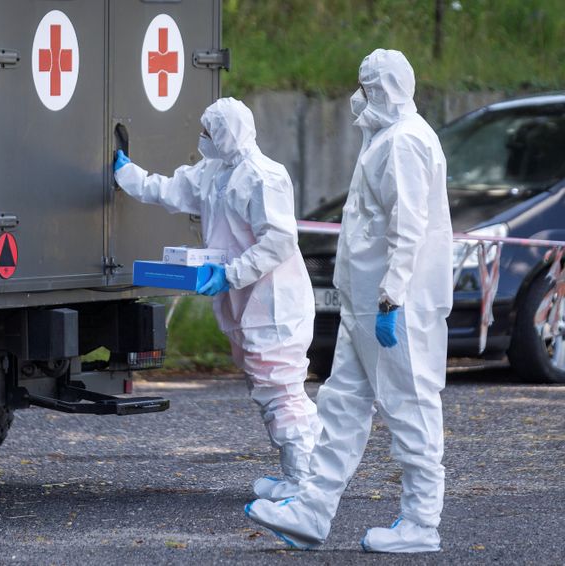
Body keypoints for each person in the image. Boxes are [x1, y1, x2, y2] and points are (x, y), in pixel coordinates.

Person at [245, 49, 453, 553]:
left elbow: (408, 229)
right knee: (341, 406)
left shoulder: (405, 142)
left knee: (410, 408)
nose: (356, 97)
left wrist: (391, 298)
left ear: (382, 90)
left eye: (364, 87)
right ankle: (313, 512)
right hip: (366, 305)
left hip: (394, 307)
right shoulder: (385, 138)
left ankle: (421, 523)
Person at [114, 97, 321, 496]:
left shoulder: (265, 176)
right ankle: (312, 475)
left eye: (209, 133)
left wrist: (229, 274)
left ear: (229, 133)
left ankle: (303, 486)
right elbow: (172, 190)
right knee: (274, 390)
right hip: (244, 303)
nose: (203, 139)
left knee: (279, 391)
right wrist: (129, 174)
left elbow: (277, 242)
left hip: (274, 304)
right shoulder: (214, 173)